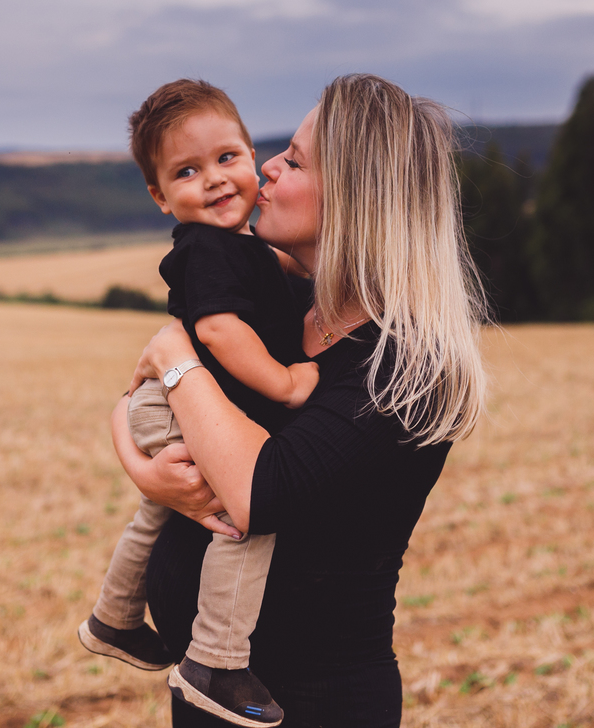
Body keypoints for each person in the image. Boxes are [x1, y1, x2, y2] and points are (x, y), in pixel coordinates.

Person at [112, 73, 489, 728]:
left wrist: (174, 354)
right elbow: (138, 401)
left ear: (353, 194)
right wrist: (144, 470)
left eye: (293, 159)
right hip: (205, 693)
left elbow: (260, 492)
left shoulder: (405, 365)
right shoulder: (289, 310)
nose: (267, 167)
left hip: (310, 702)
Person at [79, 79, 320, 727]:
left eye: (226, 158)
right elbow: (216, 329)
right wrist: (285, 383)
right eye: (187, 172)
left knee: (160, 505)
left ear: (251, 155)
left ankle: (114, 616)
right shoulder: (210, 248)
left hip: (168, 400)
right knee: (242, 514)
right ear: (160, 197)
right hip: (177, 402)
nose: (213, 179)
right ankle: (214, 658)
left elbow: (268, 279)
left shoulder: (237, 248)